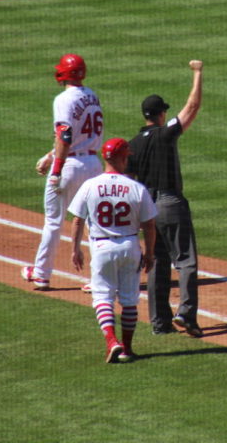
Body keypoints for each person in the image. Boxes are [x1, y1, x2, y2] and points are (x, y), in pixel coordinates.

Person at [126, 60, 205, 337]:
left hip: (146, 206)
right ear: (160, 115)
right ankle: (186, 315)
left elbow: (127, 181)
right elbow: (192, 107)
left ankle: (160, 323)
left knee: (156, 263)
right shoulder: (166, 134)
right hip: (170, 203)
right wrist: (197, 73)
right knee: (184, 260)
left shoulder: (132, 145)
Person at [69, 137, 157, 363]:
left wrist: (75, 249)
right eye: (126, 156)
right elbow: (149, 224)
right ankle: (127, 349)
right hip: (130, 245)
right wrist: (149, 253)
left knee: (102, 297)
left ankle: (112, 341)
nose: (128, 160)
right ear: (121, 158)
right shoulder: (137, 188)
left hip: (101, 246)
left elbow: (78, 220)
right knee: (129, 300)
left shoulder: (90, 185)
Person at [21, 53, 104, 291]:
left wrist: (55, 168)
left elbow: (66, 135)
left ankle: (41, 274)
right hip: (93, 165)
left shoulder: (62, 99)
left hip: (69, 167)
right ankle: (98, 279)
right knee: (93, 222)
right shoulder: (92, 96)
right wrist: (49, 156)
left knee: (54, 222)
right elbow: (78, 136)